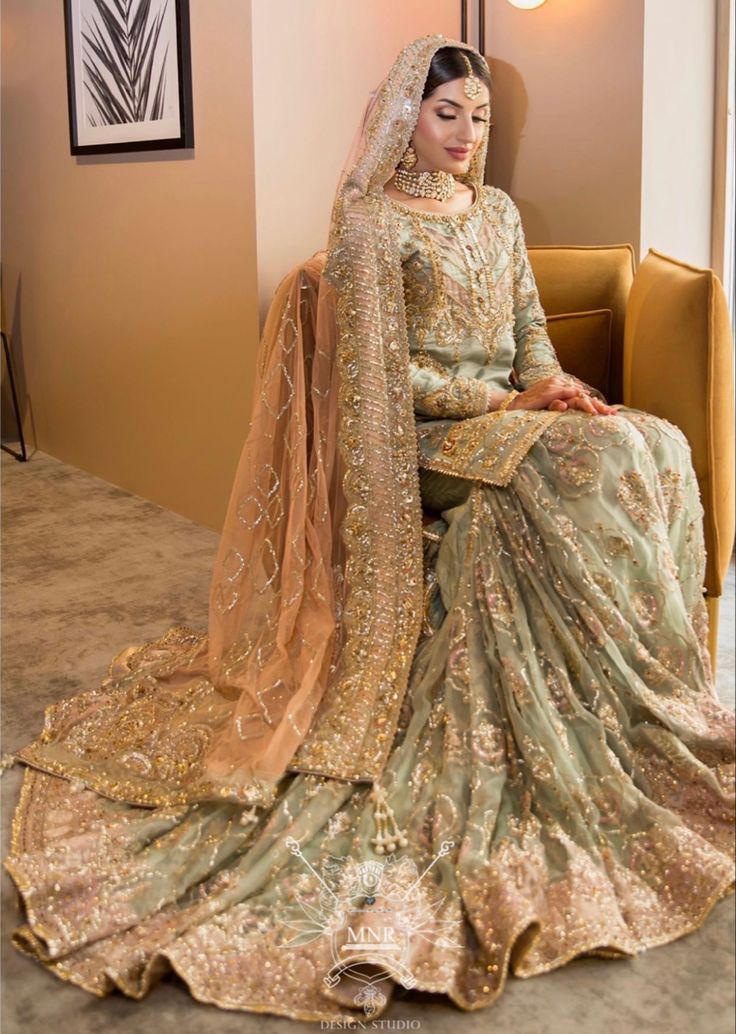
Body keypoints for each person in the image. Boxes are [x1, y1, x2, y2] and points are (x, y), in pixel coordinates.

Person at [2, 33, 734, 1024]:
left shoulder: (501, 212)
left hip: (510, 420)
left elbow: (528, 332)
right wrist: (501, 404)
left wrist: (551, 383)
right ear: (403, 115)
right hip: (422, 443)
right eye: (448, 114)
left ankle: (646, 710)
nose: (468, 133)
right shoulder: (367, 225)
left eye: (480, 116)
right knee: (591, 461)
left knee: (651, 444)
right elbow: (382, 382)